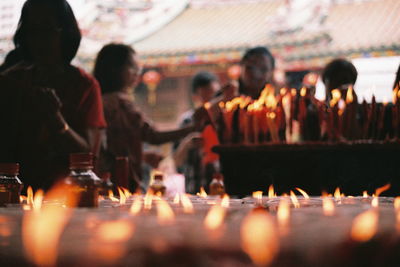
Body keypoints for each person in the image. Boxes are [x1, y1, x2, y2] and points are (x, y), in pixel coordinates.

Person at [0, 0, 106, 190]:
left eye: (48, 30)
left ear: (66, 32)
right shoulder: (11, 82)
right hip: (14, 194)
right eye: (32, 30)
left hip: (67, 194)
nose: (39, 39)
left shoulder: (84, 86)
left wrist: (55, 118)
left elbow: (88, 156)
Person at [94, 44, 207, 191]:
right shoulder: (120, 103)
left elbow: (113, 147)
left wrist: (142, 155)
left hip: (104, 178)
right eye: (133, 67)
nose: (137, 73)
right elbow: (153, 136)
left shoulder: (100, 101)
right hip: (121, 180)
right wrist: (192, 128)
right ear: (115, 69)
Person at [174, 71, 220, 193]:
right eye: (205, 96)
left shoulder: (226, 119)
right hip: (194, 192)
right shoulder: (187, 121)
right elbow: (176, 162)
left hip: (224, 192)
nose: (211, 101)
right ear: (195, 97)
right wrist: (188, 143)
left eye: (214, 95)